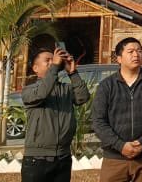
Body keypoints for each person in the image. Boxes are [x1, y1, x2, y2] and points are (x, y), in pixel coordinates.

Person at [93, 38, 142, 182]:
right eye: (131, 51)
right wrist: (120, 145)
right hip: (115, 158)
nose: (136, 55)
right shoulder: (106, 86)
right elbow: (98, 121)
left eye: (139, 51)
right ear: (119, 58)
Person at [21, 46, 91, 182]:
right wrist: (54, 67)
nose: (53, 62)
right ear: (35, 68)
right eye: (47, 60)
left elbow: (83, 97)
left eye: (54, 60)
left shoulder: (66, 89)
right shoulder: (29, 90)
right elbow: (42, 93)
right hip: (37, 159)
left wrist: (73, 73)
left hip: (63, 157)